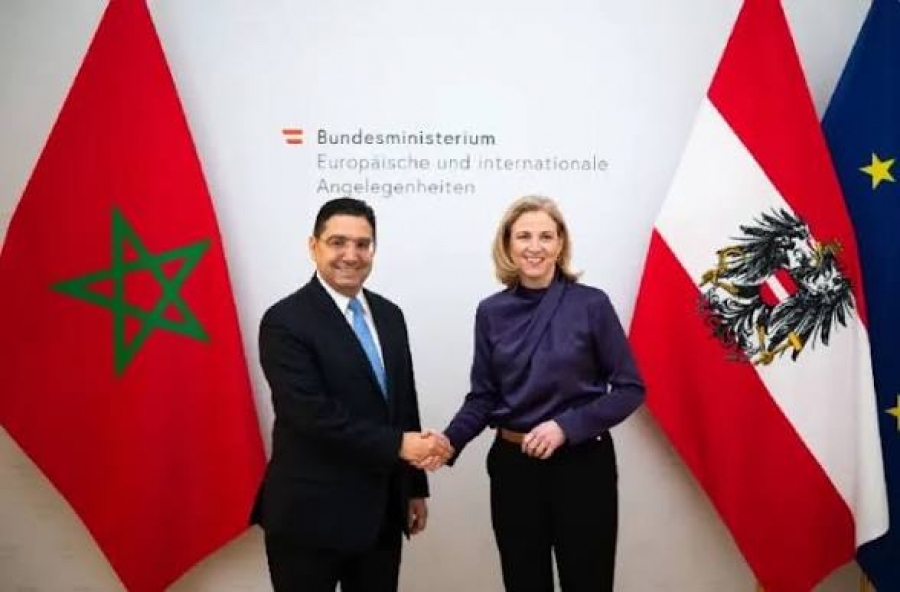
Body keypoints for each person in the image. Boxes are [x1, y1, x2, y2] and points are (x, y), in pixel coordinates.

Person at [439, 195, 645, 592]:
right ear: (507, 243)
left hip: (583, 466)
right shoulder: (491, 311)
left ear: (560, 243)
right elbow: (483, 396)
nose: (535, 247)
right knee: (523, 582)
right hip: (514, 469)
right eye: (524, 236)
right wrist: (449, 441)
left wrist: (566, 427)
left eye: (546, 236)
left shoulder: (591, 304)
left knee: (588, 582)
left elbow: (629, 388)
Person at [251, 197, 451, 592]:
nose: (351, 255)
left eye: (363, 244)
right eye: (337, 242)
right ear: (314, 246)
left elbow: (402, 404)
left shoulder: (389, 315)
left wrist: (413, 488)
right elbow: (309, 414)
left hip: (381, 513)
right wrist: (399, 445)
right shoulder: (284, 321)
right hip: (309, 517)